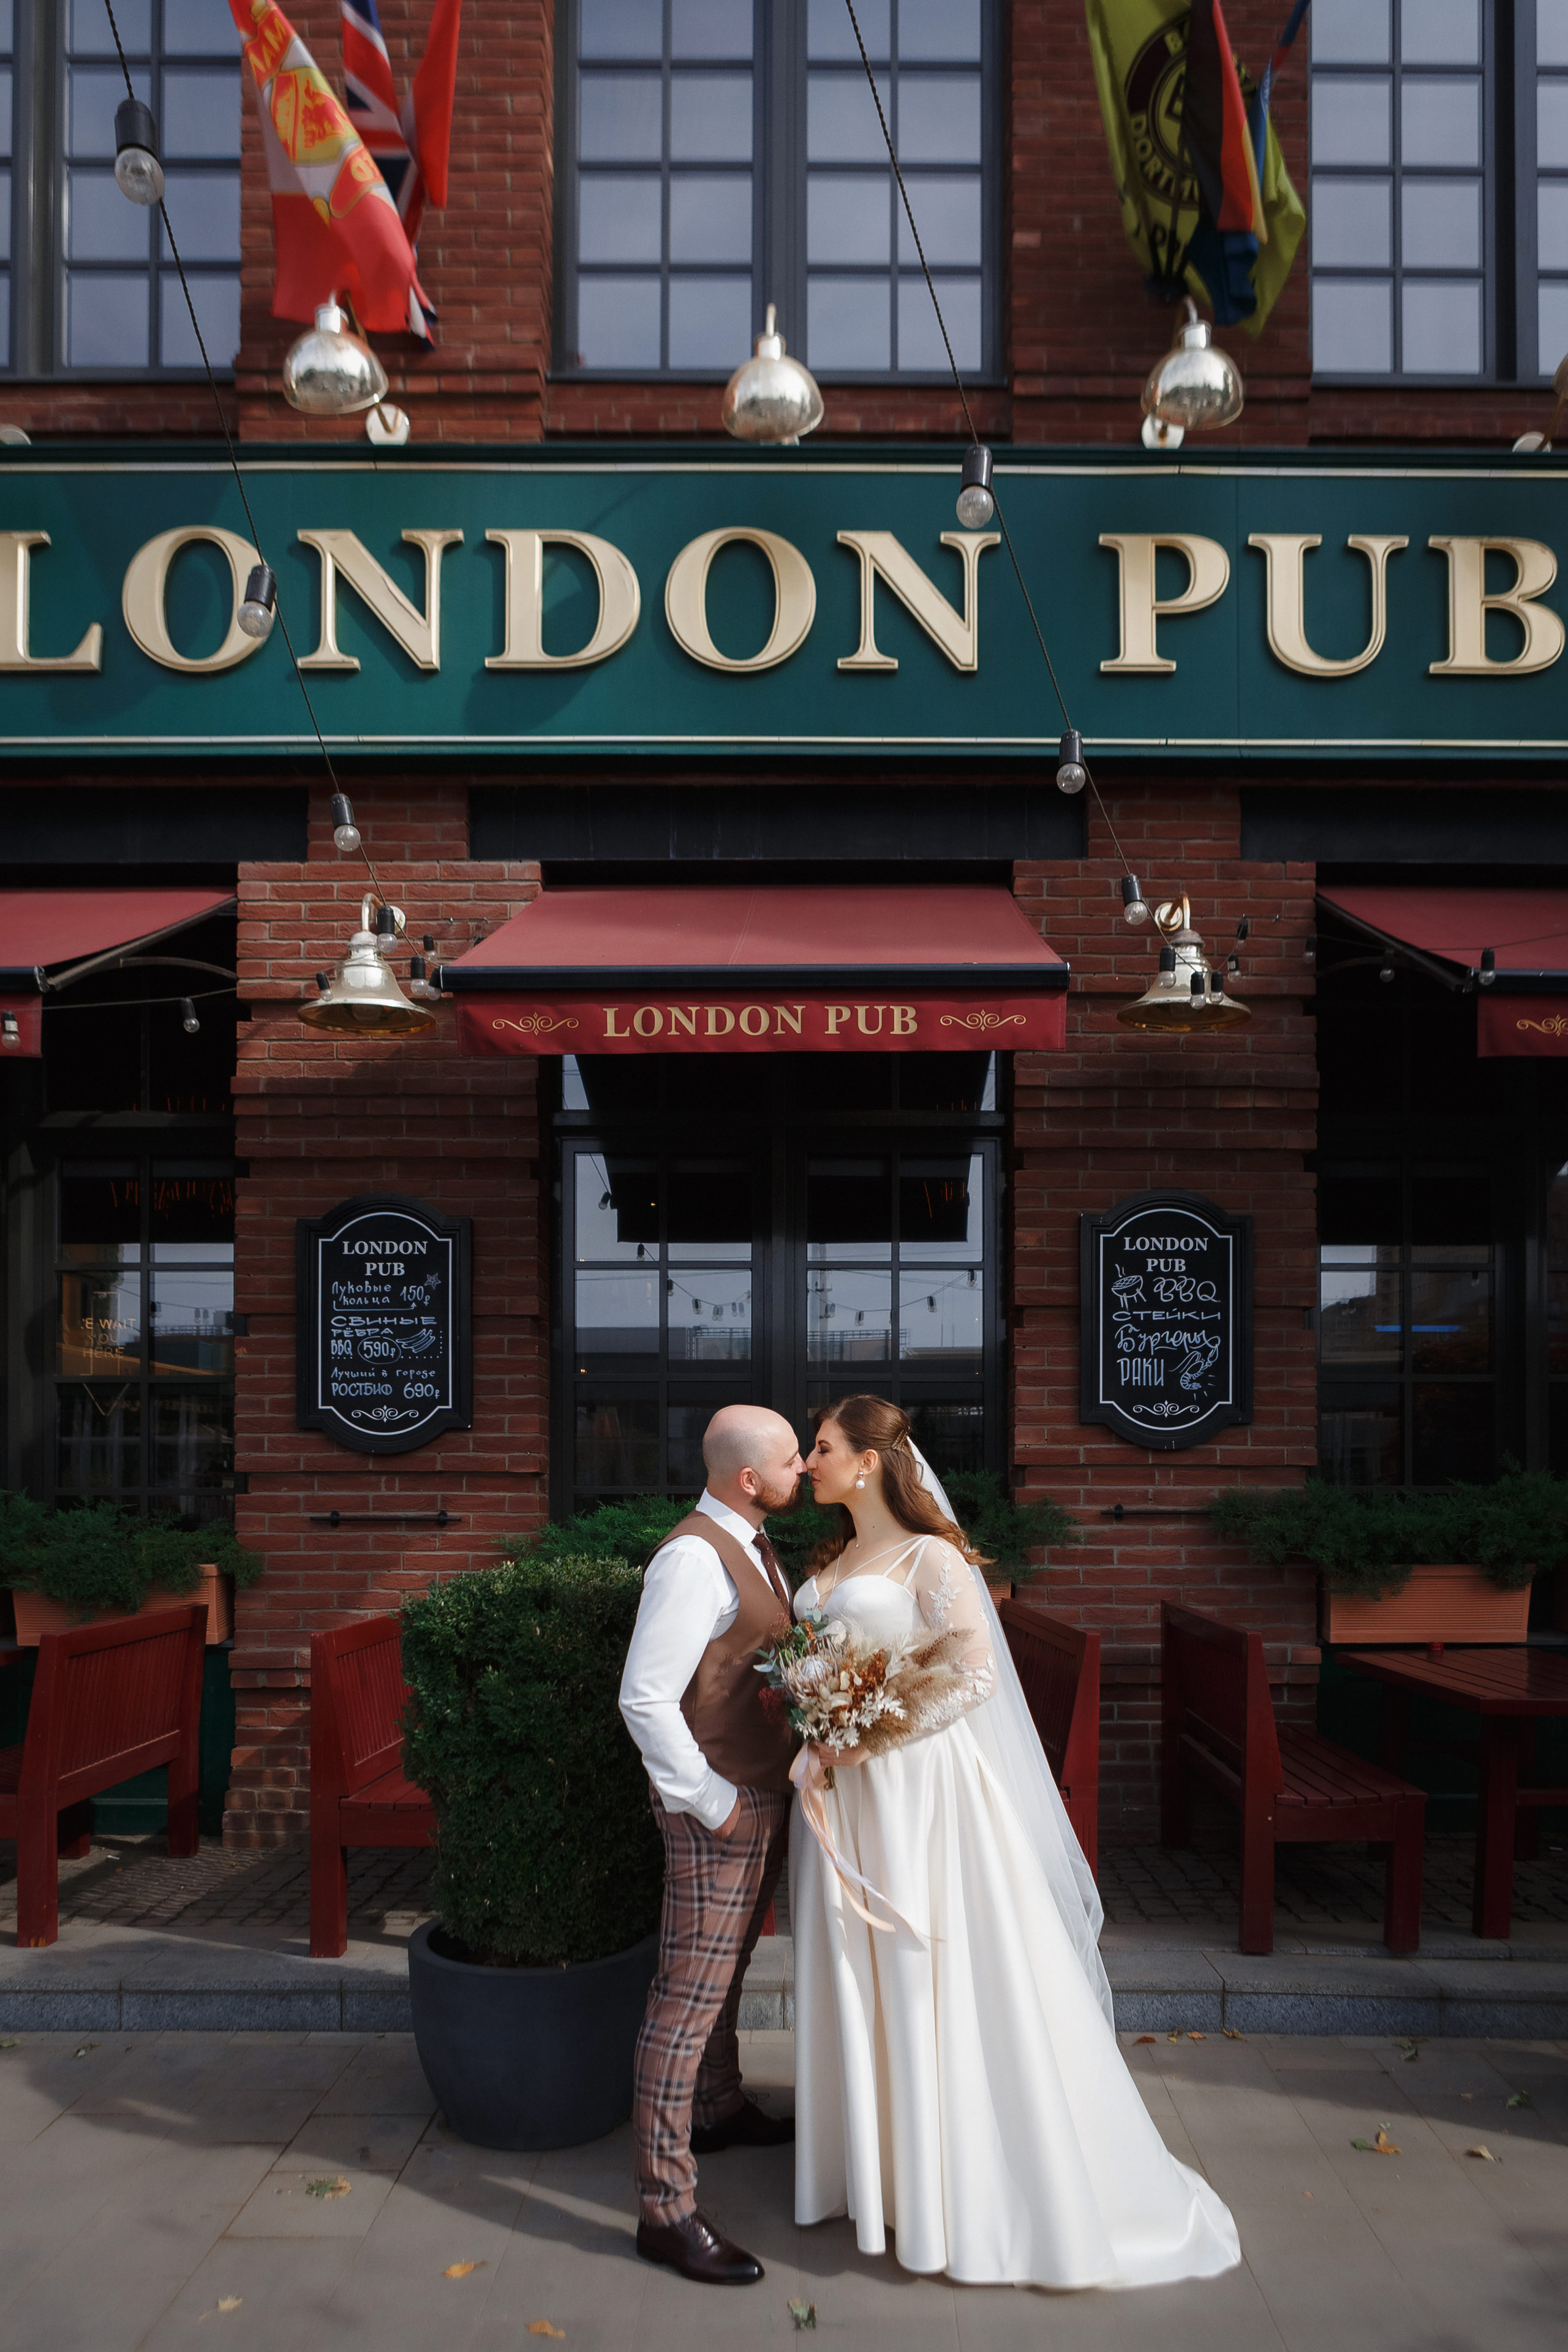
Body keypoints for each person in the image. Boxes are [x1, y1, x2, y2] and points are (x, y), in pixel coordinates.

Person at [791, 1395, 1242, 2290]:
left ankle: (961, 2182)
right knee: (856, 1969)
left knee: (925, 1974)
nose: (809, 1461)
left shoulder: (932, 1557)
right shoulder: (831, 1560)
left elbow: (975, 1677)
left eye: (823, 1446)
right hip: (843, 1796)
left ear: (870, 1461)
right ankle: (877, 2171)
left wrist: (865, 1735)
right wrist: (816, 1717)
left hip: (919, 1794)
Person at [619, 1403, 805, 2288]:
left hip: (761, 1793)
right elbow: (645, 1698)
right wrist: (714, 1803)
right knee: (684, 2002)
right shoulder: (694, 1559)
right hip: (720, 1809)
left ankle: (720, 2108)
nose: (803, 1469)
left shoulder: (754, 1544)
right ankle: (665, 2210)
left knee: (726, 1976)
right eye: (793, 1459)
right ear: (749, 1478)